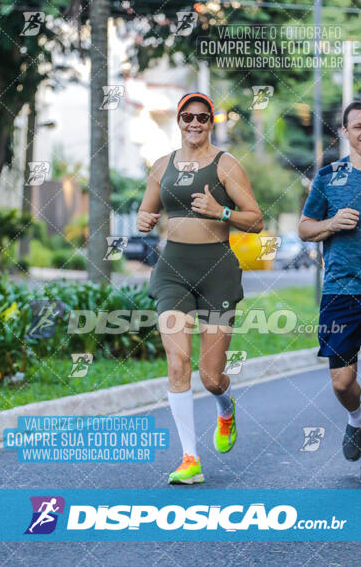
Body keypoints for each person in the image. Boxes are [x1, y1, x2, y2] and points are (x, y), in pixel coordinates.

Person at [137, 92, 263, 484]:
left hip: (217, 271)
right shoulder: (161, 166)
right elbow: (146, 208)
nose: (195, 123)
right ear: (178, 120)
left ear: (212, 122)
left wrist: (220, 211)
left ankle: (225, 408)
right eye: (188, 117)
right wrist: (144, 219)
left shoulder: (227, 165)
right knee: (178, 363)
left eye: (202, 117)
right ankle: (190, 458)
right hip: (172, 269)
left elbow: (256, 220)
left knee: (210, 377)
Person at [299, 100, 361, 483]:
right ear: (345, 133)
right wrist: (331, 223)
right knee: (343, 382)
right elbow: (304, 228)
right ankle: (355, 418)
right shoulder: (330, 176)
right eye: (359, 126)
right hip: (340, 291)